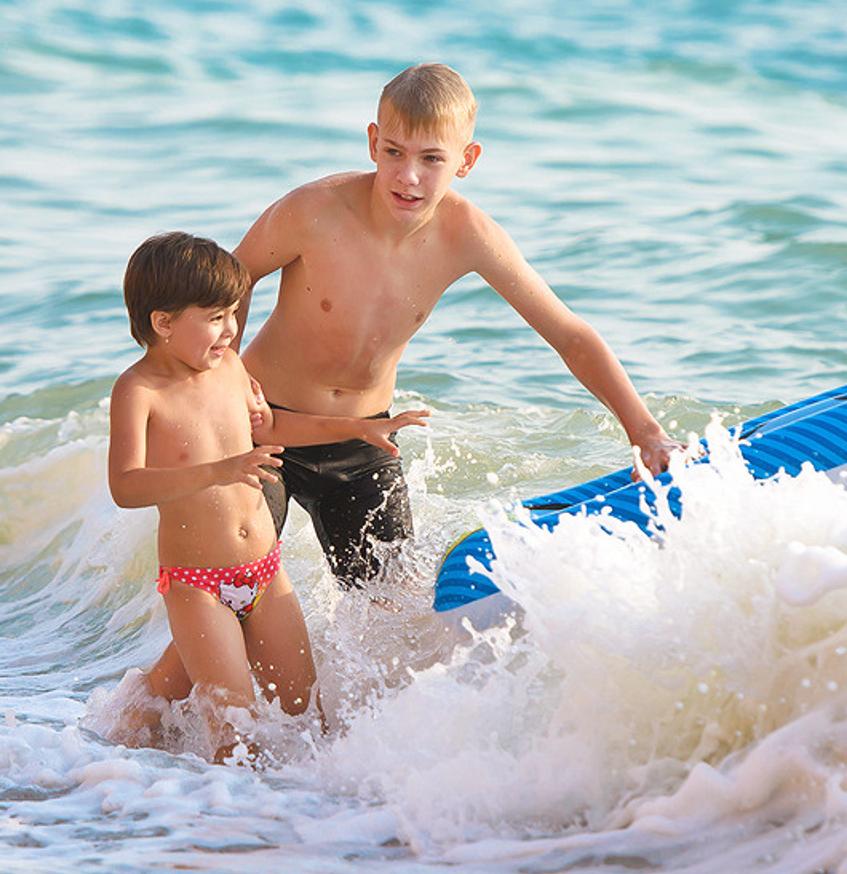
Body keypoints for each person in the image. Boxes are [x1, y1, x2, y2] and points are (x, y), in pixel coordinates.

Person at [234, 61, 679, 587]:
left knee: (391, 617)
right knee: (239, 580)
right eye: (394, 152)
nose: (408, 176)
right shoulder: (313, 211)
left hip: (365, 440)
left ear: (466, 161)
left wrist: (646, 432)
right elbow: (229, 283)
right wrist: (225, 391)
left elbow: (568, 334)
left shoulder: (467, 234)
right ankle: (162, 673)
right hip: (265, 427)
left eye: (431, 159)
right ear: (373, 142)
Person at [107, 232, 428, 760]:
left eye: (232, 313)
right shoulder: (139, 391)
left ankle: (300, 819)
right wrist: (218, 470)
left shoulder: (231, 366)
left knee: (307, 722)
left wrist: (358, 429)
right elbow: (125, 485)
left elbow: (272, 425)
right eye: (214, 317)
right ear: (163, 323)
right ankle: (206, 820)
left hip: (264, 571)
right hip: (198, 586)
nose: (231, 328)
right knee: (236, 737)